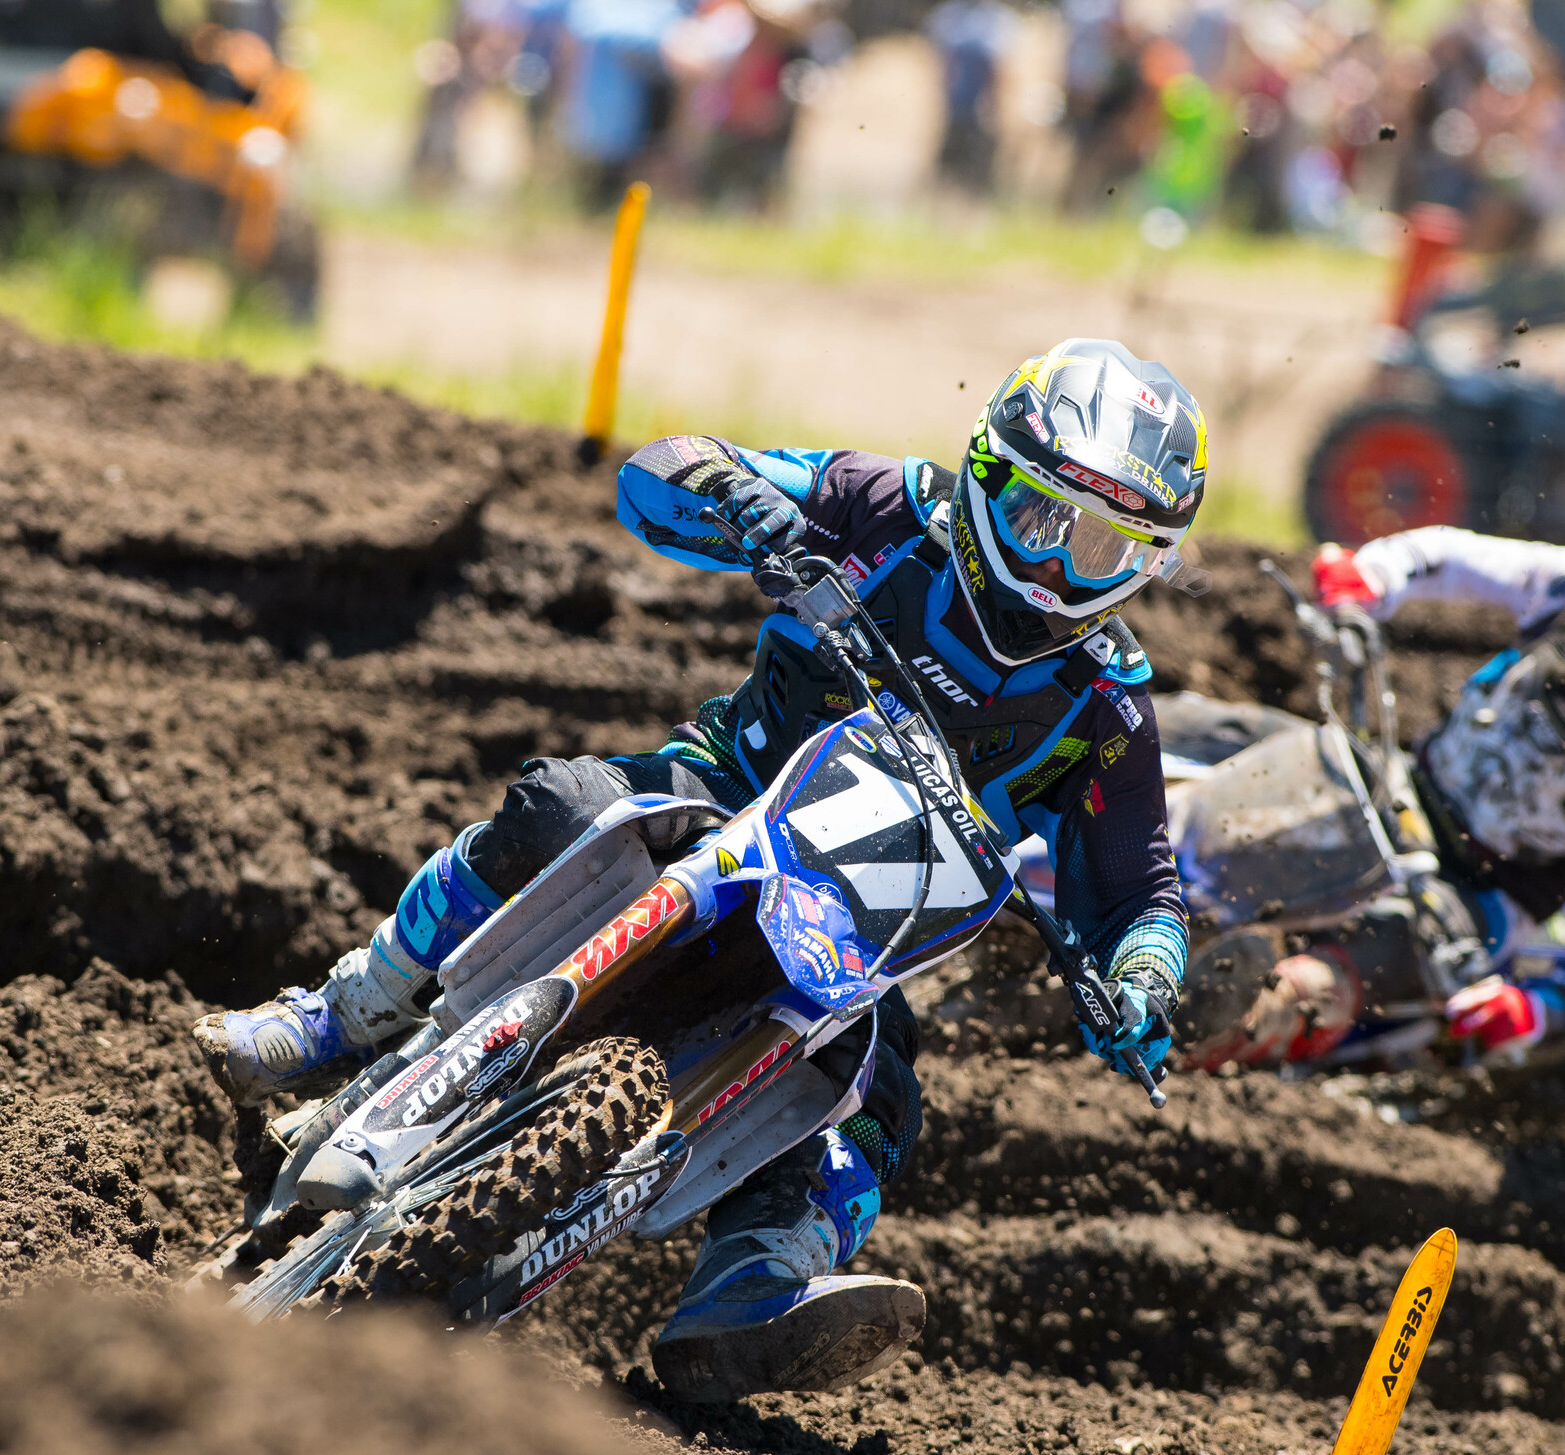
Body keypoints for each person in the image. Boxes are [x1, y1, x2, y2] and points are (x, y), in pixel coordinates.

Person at [195, 338, 1204, 1400]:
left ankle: (755, 1284)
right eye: (1043, 520)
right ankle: (347, 1009)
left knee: (879, 1088)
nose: (1054, 566)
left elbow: (1140, 887)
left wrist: (1141, 976)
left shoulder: (1106, 705)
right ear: (989, 477)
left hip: (859, 928)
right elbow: (662, 476)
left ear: (1145, 564)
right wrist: (735, 492)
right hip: (715, 796)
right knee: (561, 807)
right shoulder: (888, 510)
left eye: (1099, 548)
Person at [1190, 474, 1565, 1070]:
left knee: (1290, 993)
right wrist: (1370, 578)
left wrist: (1540, 1011)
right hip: (1399, 786)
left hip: (1477, 903)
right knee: (1195, 727)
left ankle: (1165, 1054)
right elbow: (1447, 554)